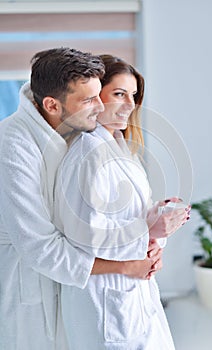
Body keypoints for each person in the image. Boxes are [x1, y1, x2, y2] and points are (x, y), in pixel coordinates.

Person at [0, 48, 165, 350]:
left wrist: (148, 242)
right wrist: (125, 266)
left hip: (74, 282)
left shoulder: (72, 125)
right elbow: (39, 247)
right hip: (26, 284)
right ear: (51, 104)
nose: (99, 105)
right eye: (89, 100)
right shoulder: (13, 146)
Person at [54, 54, 190, 349]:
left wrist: (157, 233)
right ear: (94, 97)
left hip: (131, 294)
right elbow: (86, 235)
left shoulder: (121, 149)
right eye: (119, 93)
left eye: (133, 95)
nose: (130, 104)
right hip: (103, 302)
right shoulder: (86, 155)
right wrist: (149, 231)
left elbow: (134, 218)